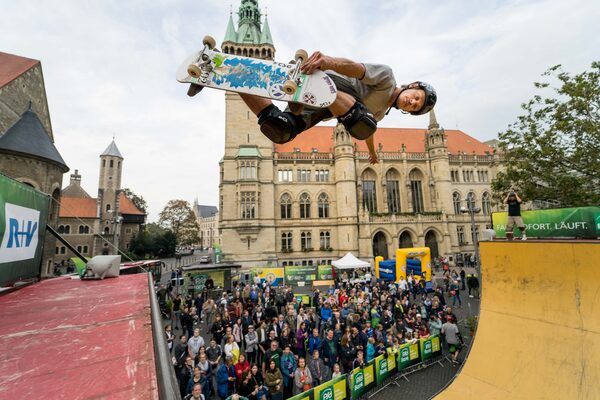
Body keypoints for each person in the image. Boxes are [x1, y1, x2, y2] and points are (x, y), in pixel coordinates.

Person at [238, 52, 437, 164]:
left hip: (325, 107)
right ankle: (306, 87)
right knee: (362, 120)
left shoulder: (378, 114)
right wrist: (328, 62)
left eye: (415, 107)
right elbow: (356, 67)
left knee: (281, 130)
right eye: (415, 97)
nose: (412, 103)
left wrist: (372, 152)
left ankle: (239, 77)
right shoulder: (387, 78)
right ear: (413, 85)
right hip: (330, 82)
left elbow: (367, 133)